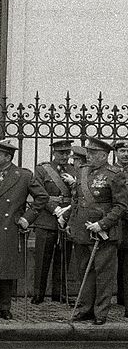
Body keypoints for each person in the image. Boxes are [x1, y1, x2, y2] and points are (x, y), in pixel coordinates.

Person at [0, 140, 48, 321]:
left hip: (10, 228)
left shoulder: (23, 176)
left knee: (6, 269)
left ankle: (5, 307)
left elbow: (42, 197)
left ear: (8, 157)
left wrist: (27, 218)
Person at [65, 137, 127, 325]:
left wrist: (103, 224)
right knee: (84, 271)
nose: (88, 156)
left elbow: (121, 205)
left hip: (104, 234)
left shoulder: (115, 174)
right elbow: (76, 200)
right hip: (82, 231)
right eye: (88, 152)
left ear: (103, 155)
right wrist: (70, 221)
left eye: (92, 153)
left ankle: (101, 312)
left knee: (103, 274)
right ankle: (85, 310)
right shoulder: (82, 171)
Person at [31, 139, 76, 304]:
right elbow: (39, 193)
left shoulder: (75, 169)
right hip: (47, 218)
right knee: (42, 258)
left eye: (67, 153)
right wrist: (55, 210)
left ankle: (60, 293)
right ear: (54, 153)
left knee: (64, 258)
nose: (64, 156)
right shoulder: (43, 169)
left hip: (67, 218)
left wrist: (67, 212)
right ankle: (38, 294)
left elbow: (77, 195)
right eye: (61, 153)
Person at [116, 141, 128, 310]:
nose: (126, 154)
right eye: (122, 151)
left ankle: (125, 298)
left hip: (127, 223)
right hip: (115, 222)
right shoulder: (111, 172)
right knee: (116, 260)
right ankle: (120, 296)